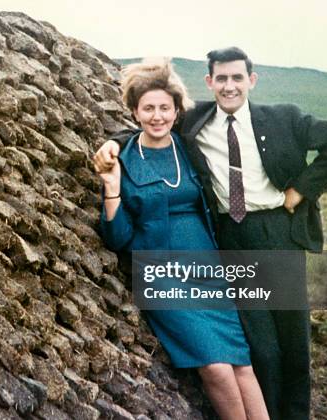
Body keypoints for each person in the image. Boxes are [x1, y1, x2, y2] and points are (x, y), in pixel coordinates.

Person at [94, 47, 327, 420]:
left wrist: (300, 190)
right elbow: (143, 133)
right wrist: (114, 157)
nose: (229, 85)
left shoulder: (268, 120)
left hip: (261, 240)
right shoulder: (183, 130)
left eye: (237, 77)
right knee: (248, 354)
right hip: (201, 254)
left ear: (252, 80)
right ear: (209, 82)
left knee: (278, 350)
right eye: (222, 78)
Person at [97, 57, 269, 420]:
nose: (157, 116)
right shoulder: (124, 159)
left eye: (165, 108)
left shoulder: (189, 148)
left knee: (242, 365)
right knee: (216, 368)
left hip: (208, 270)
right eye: (148, 109)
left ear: (177, 111)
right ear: (134, 112)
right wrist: (112, 188)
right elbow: (118, 237)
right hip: (162, 275)